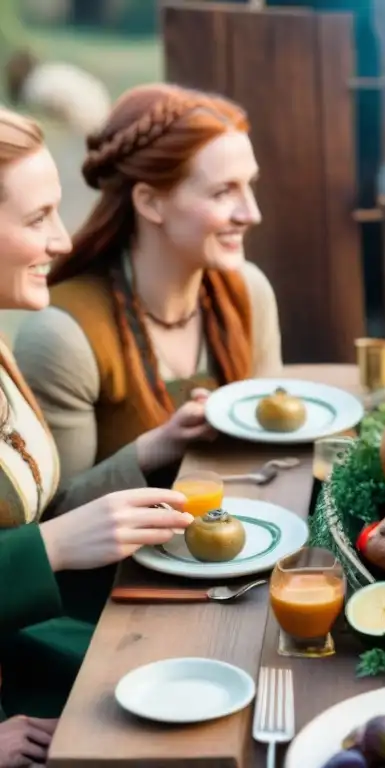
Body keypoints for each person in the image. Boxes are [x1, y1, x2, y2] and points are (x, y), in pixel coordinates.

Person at [0, 107, 193, 767]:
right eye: (37, 219)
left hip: (45, 645)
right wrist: (53, 545)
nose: (61, 240)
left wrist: (154, 450)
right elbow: (42, 540)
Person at [13, 83, 283, 488]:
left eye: (250, 185)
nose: (252, 213)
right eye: (224, 191)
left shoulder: (249, 292)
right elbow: (52, 516)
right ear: (150, 202)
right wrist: (157, 446)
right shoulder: (63, 336)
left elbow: (276, 446)